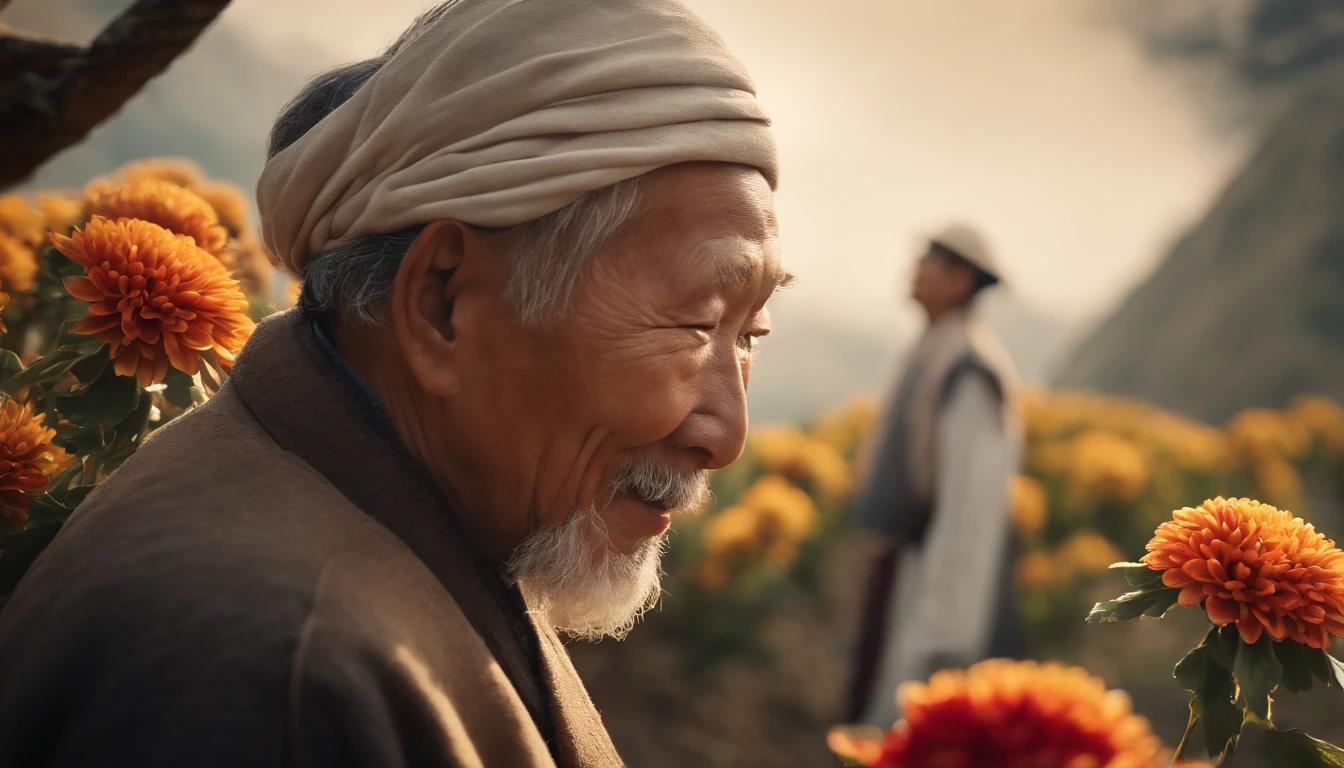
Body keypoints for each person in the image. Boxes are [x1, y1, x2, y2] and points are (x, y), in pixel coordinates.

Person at [0, 1, 787, 766]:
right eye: (694, 323)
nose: (725, 434)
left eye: (748, 334)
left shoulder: (445, 519)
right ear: (441, 303)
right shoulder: (279, 682)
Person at [844, 224, 1022, 729]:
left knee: (907, 716)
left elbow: (971, 507)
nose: (916, 268)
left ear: (962, 279)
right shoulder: (940, 348)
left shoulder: (971, 370)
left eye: (932, 259)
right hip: (907, 560)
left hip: (934, 568)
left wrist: (944, 631)